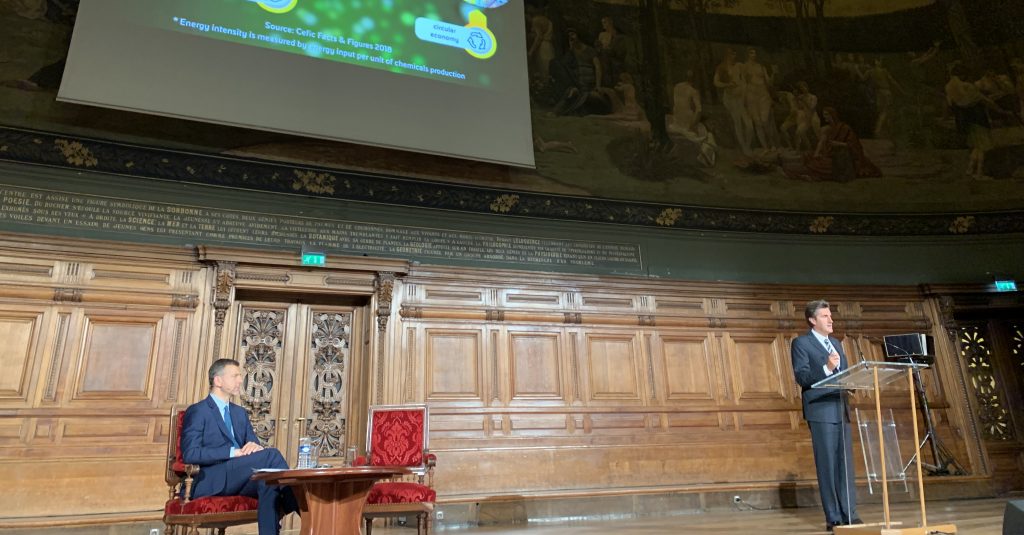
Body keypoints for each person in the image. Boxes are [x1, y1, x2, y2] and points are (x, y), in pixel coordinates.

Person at [181, 359, 298, 535]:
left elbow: (253, 445)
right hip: (212, 478)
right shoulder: (198, 411)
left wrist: (254, 447)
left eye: (240, 375)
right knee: (272, 456)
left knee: (268, 481)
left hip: (241, 477)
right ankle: (303, 507)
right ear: (218, 381)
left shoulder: (239, 413)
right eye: (235, 375)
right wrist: (232, 452)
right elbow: (190, 453)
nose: (240, 380)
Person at [791, 300, 861, 532]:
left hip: (841, 408)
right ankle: (834, 516)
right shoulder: (801, 343)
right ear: (812, 320)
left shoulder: (837, 344)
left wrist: (853, 380)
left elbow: (847, 374)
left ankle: (850, 514)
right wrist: (827, 368)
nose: (830, 320)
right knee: (828, 464)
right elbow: (802, 377)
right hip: (821, 410)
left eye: (830, 316)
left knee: (845, 465)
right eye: (824, 316)